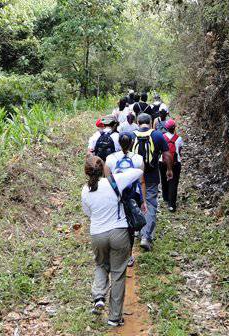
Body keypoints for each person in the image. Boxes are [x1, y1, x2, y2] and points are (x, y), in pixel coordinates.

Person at [82, 155, 143, 327]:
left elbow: (88, 213)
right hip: (118, 232)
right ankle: (114, 317)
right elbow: (138, 171)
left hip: (97, 234)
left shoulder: (85, 190)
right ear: (104, 169)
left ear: (86, 172)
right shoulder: (115, 181)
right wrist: (119, 171)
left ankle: (99, 296)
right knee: (118, 274)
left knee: (101, 265)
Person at [105, 132, 146, 267]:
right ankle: (129, 256)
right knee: (130, 225)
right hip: (132, 196)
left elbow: (107, 180)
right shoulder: (138, 159)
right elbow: (142, 182)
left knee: (116, 221)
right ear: (133, 143)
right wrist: (143, 201)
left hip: (114, 196)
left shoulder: (110, 158)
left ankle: (114, 252)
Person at [133, 113, 172, 251]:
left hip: (134, 178)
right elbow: (167, 154)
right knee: (149, 204)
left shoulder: (131, 135)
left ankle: (137, 230)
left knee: (135, 202)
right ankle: (146, 236)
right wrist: (169, 169)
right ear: (150, 123)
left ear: (137, 122)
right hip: (151, 177)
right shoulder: (157, 135)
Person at [160, 119, 184, 212]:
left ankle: (165, 197)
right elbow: (180, 150)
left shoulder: (162, 137)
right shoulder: (179, 138)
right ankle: (172, 205)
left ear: (166, 128)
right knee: (173, 182)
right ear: (174, 128)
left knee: (163, 179)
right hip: (175, 163)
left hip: (162, 162)